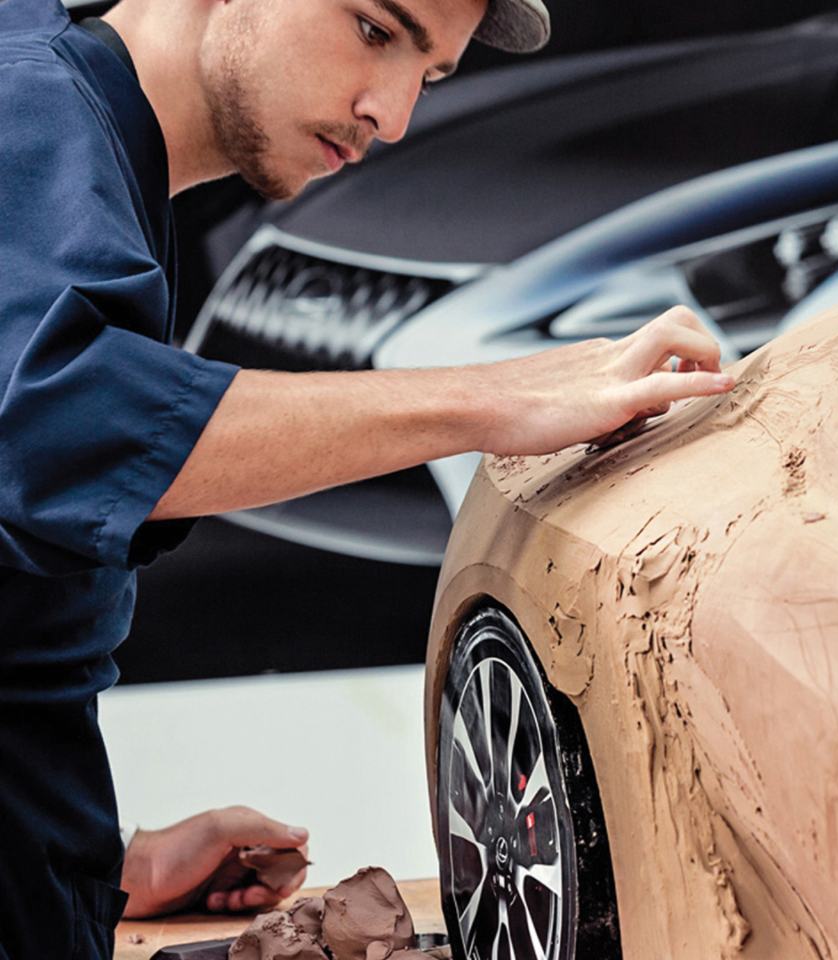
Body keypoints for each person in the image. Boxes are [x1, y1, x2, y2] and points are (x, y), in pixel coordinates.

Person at [0, 0, 734, 954]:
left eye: (427, 76)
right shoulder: (29, 103)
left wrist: (119, 861)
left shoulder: (92, 161)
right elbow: (54, 429)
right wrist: (491, 399)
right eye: (376, 30)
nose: (390, 115)